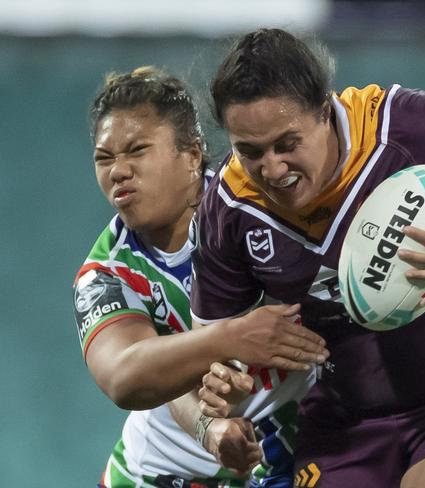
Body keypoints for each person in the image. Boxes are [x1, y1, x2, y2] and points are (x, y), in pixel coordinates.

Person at [191, 28, 425, 488]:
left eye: (288, 144)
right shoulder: (228, 210)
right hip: (348, 425)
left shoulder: (404, 128)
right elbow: (208, 345)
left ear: (325, 112)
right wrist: (222, 389)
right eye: (249, 151)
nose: (272, 169)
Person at [73, 66, 331, 488]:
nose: (118, 171)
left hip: (295, 456)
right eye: (104, 158)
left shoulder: (262, 203)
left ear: (192, 155)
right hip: (163, 472)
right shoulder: (107, 274)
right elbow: (127, 376)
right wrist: (229, 342)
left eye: (137, 150)